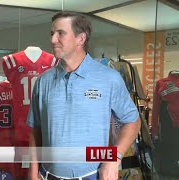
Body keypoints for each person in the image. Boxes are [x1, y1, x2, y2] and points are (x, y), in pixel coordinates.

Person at [27, 11, 141, 180]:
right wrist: (32, 170)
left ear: (81, 39)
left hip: (92, 176)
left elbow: (132, 121)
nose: (53, 40)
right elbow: (36, 130)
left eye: (61, 33)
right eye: (52, 33)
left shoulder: (108, 78)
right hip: (48, 175)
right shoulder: (43, 81)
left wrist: (114, 159)